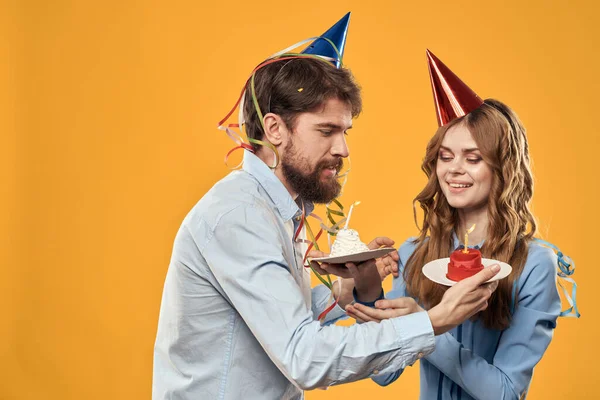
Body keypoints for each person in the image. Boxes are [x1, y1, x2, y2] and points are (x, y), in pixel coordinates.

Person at [152, 19, 499, 400]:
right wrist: (432, 321)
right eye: (326, 131)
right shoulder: (240, 215)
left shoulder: (275, 208)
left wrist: (342, 292)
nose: (343, 149)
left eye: (345, 132)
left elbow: (269, 316)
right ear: (274, 129)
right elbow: (303, 355)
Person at [346, 50, 578, 400]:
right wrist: (367, 291)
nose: (454, 169)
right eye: (445, 156)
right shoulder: (414, 253)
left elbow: (505, 393)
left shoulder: (534, 265)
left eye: (473, 158)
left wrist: (422, 326)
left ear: (502, 168)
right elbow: (384, 374)